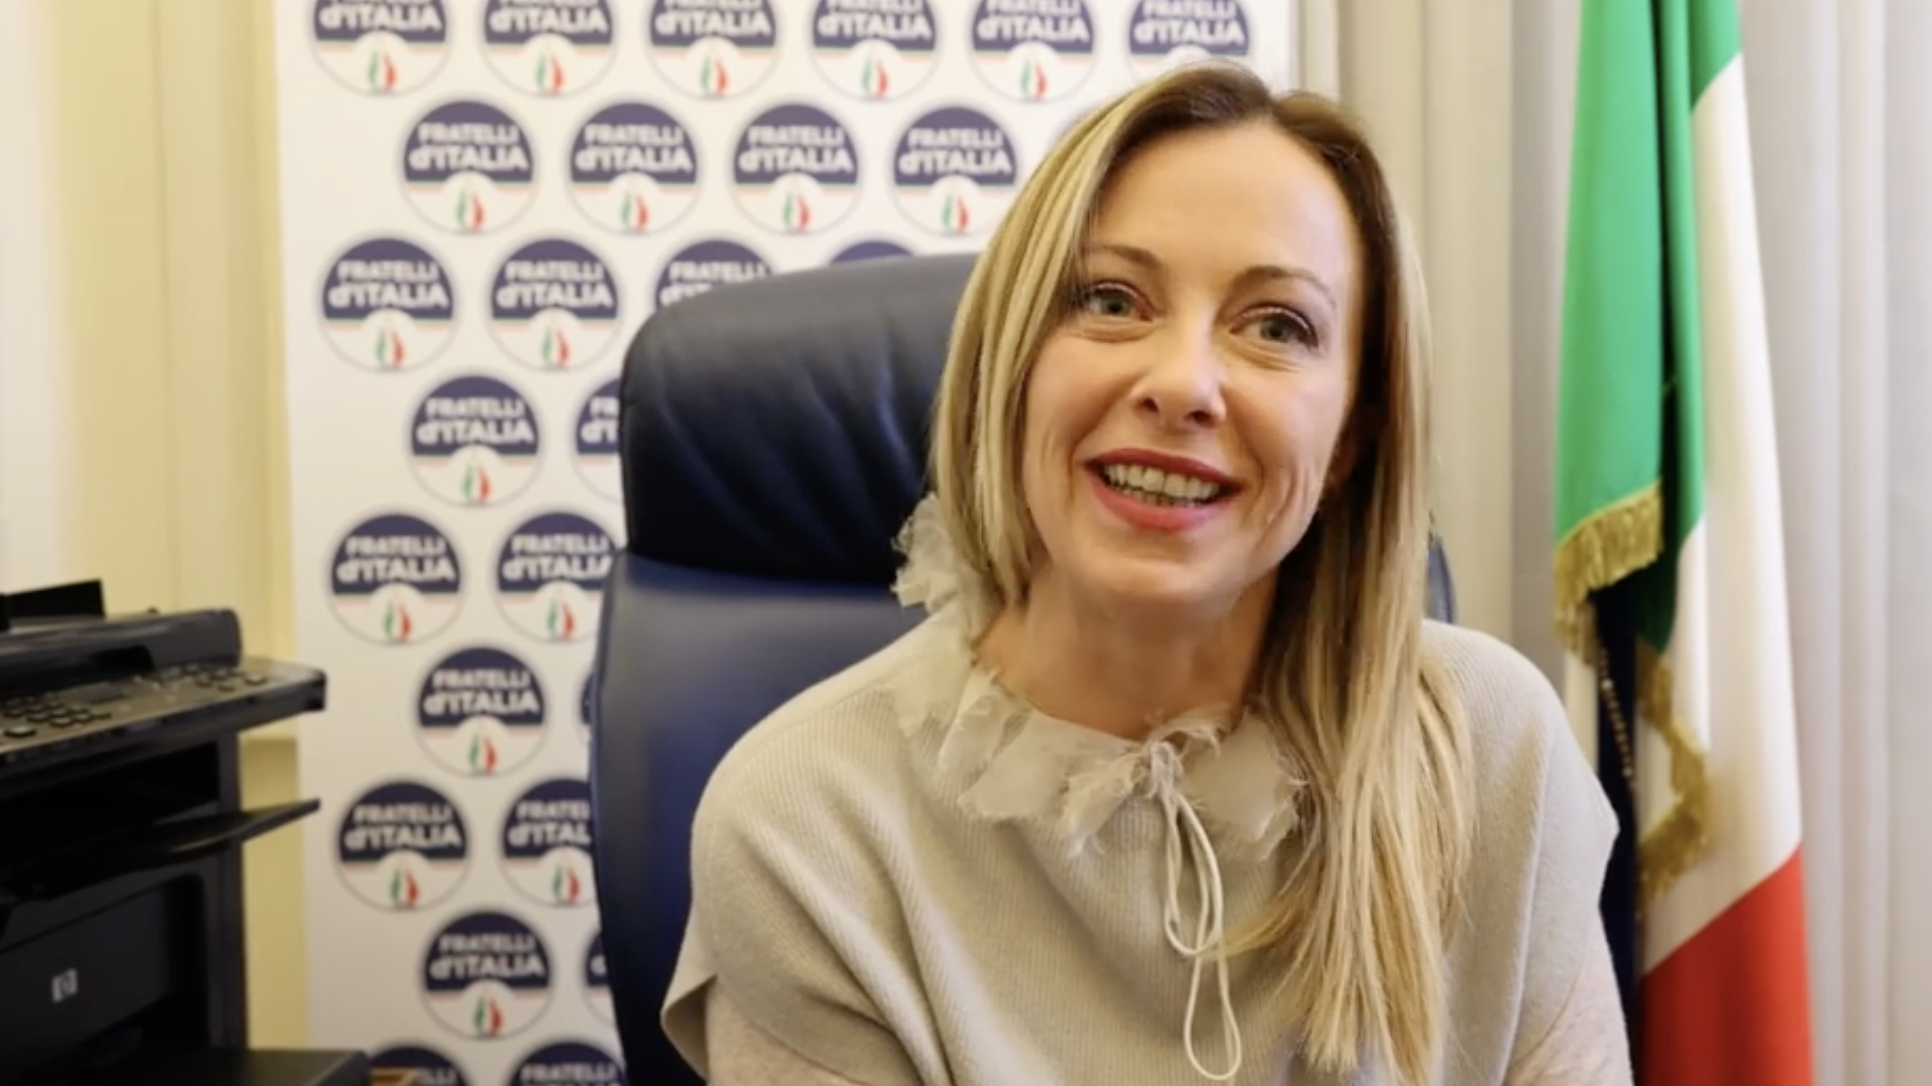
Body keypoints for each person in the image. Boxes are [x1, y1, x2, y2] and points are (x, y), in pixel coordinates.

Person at [661, 61, 1630, 1086]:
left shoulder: (1494, 754)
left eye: (1277, 326)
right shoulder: (801, 822)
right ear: (1012, 368)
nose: (1181, 384)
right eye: (1112, 301)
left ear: (1350, 435)